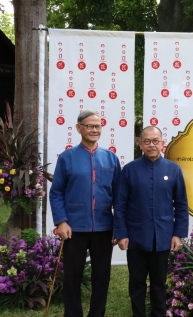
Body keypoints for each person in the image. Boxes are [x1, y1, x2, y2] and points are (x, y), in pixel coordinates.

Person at [49, 110, 121, 317]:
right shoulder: (67, 157)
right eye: (89, 126)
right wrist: (61, 221)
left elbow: (120, 196)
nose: (94, 130)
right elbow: (56, 193)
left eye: (98, 126)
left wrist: (120, 227)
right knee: (72, 276)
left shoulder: (111, 158)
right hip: (74, 227)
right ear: (79, 127)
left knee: (102, 275)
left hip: (104, 227)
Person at [114, 126, 189, 317]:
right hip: (135, 237)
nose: (151, 145)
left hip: (163, 237)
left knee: (159, 284)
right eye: (146, 141)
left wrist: (178, 234)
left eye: (155, 141)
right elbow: (120, 205)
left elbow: (181, 204)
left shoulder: (173, 170)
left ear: (162, 143)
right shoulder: (129, 170)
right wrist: (121, 234)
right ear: (140, 144)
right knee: (137, 283)